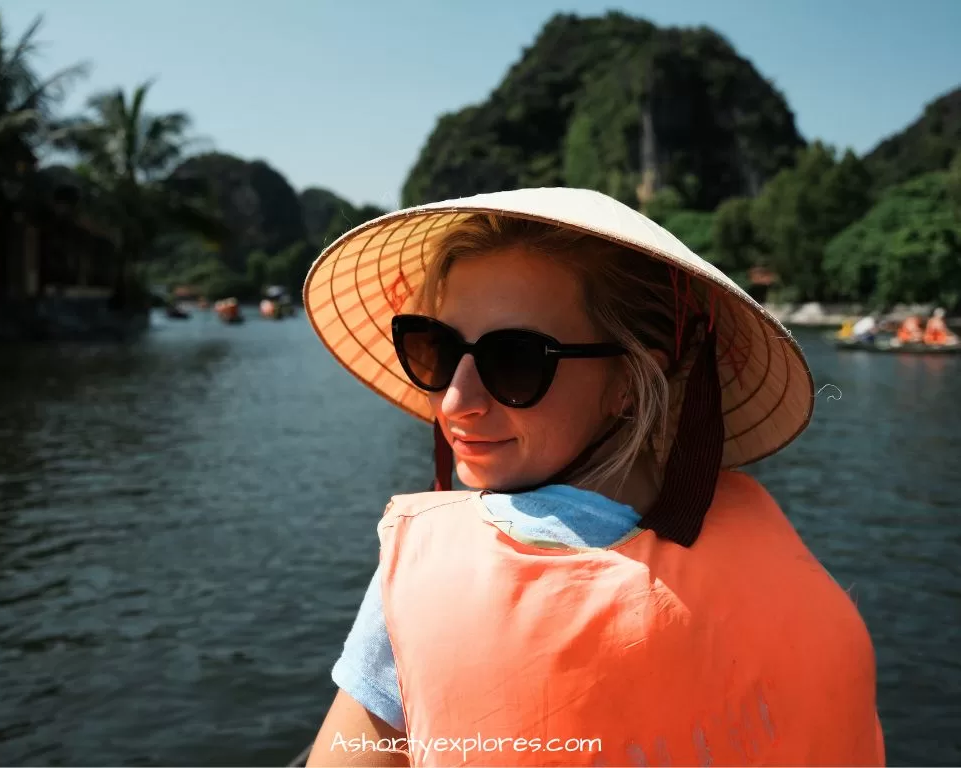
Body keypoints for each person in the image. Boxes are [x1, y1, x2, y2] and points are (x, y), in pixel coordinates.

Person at [302, 188, 884, 767]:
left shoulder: (425, 580)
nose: (456, 399)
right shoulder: (799, 581)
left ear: (631, 380)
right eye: (436, 348)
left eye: (515, 361)